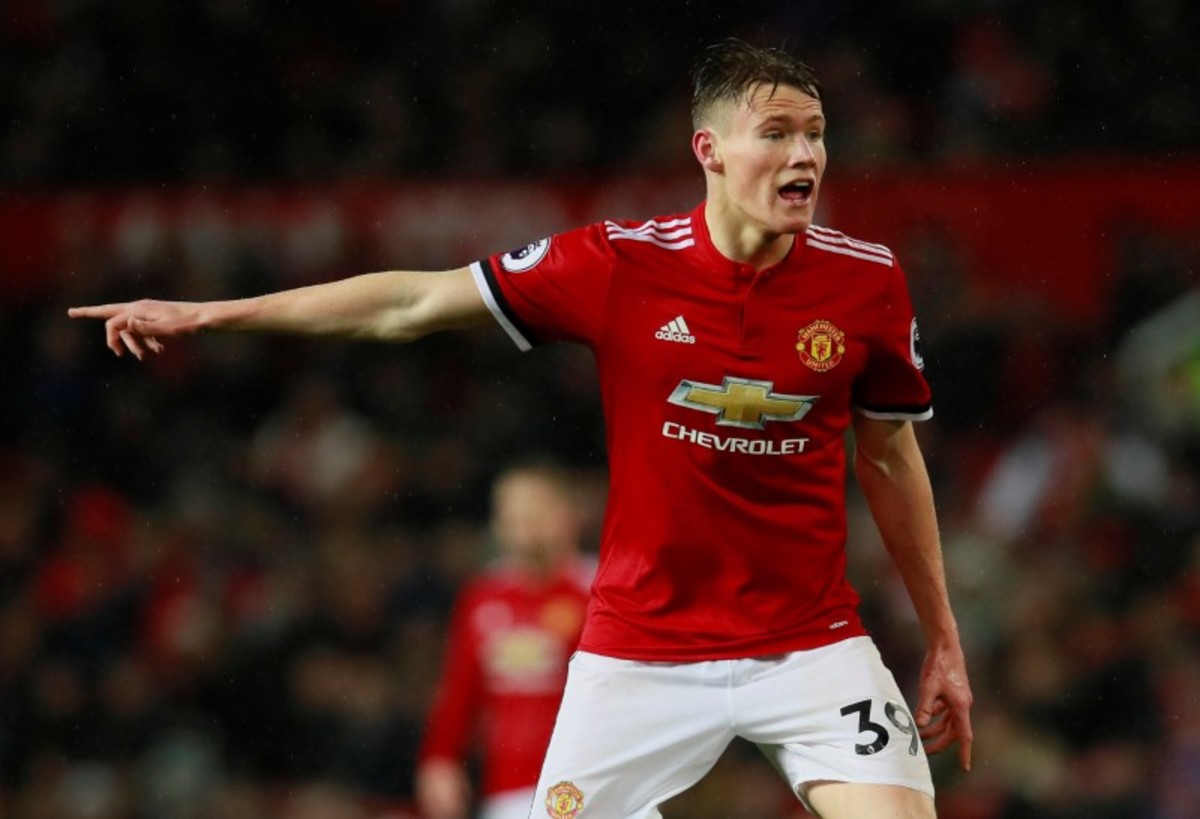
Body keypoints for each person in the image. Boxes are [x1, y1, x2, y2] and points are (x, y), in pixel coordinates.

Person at [70, 38, 973, 819]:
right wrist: (214, 314)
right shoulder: (618, 264)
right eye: (775, 133)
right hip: (641, 650)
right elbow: (413, 303)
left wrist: (942, 635)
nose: (804, 153)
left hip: (811, 645)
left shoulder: (867, 281)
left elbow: (891, 458)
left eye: (815, 132)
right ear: (709, 149)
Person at [416, 461, 593, 819]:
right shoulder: (484, 596)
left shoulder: (598, 592)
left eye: (533, 514)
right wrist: (440, 758)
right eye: (510, 516)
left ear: (567, 515)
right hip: (508, 789)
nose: (521, 528)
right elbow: (461, 688)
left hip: (585, 782)